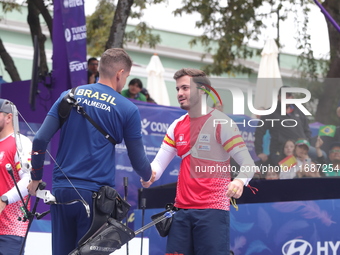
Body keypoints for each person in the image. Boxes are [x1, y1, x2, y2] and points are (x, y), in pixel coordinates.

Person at [27, 48, 154, 255]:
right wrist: (147, 176)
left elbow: (40, 139)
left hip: (61, 191)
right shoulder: (127, 108)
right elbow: (137, 159)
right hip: (95, 197)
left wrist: (35, 178)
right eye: (127, 76)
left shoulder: (69, 95)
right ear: (120, 73)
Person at [142, 68, 256, 255]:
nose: (179, 93)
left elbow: (248, 164)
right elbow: (158, 165)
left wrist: (239, 181)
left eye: (185, 88)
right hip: (180, 212)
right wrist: (149, 174)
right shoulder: (176, 125)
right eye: (178, 89)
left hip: (212, 210)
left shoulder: (221, 123)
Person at [0, 99, 32, 255]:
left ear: (8, 117)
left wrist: (4, 199)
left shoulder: (20, 142)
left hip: (10, 228)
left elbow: (29, 180)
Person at [255, 86, 312, 166]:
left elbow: (307, 130)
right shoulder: (270, 112)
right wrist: (259, 152)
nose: (286, 99)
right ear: (278, 97)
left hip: (302, 150)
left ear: (292, 98)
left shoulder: (299, 111)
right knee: (289, 173)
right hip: (282, 152)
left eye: (288, 96)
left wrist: (306, 144)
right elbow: (259, 132)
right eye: (283, 96)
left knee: (320, 155)